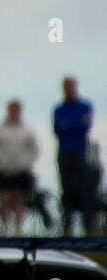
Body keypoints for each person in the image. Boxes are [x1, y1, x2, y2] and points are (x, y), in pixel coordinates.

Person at [53, 76, 97, 235]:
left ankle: (88, 228)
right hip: (64, 154)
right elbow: (58, 129)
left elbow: (84, 126)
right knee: (66, 190)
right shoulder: (58, 109)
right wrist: (74, 125)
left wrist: (69, 125)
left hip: (81, 154)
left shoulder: (85, 106)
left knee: (84, 190)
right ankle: (67, 227)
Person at [0, 99, 39, 236]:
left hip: (21, 169)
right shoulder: (1, 130)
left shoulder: (27, 130)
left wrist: (27, 162)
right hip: (5, 169)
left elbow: (34, 149)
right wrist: (1, 160)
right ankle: (5, 227)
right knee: (4, 198)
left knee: (19, 198)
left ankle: (18, 228)